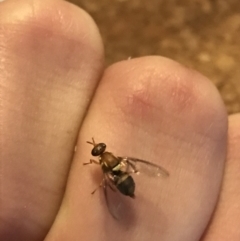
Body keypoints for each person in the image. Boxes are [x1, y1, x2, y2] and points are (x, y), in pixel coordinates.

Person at [0, 0, 239, 240]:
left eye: (98, 149)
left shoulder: (103, 167)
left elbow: (111, 178)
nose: (98, 150)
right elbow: (134, 166)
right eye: (98, 149)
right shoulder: (115, 162)